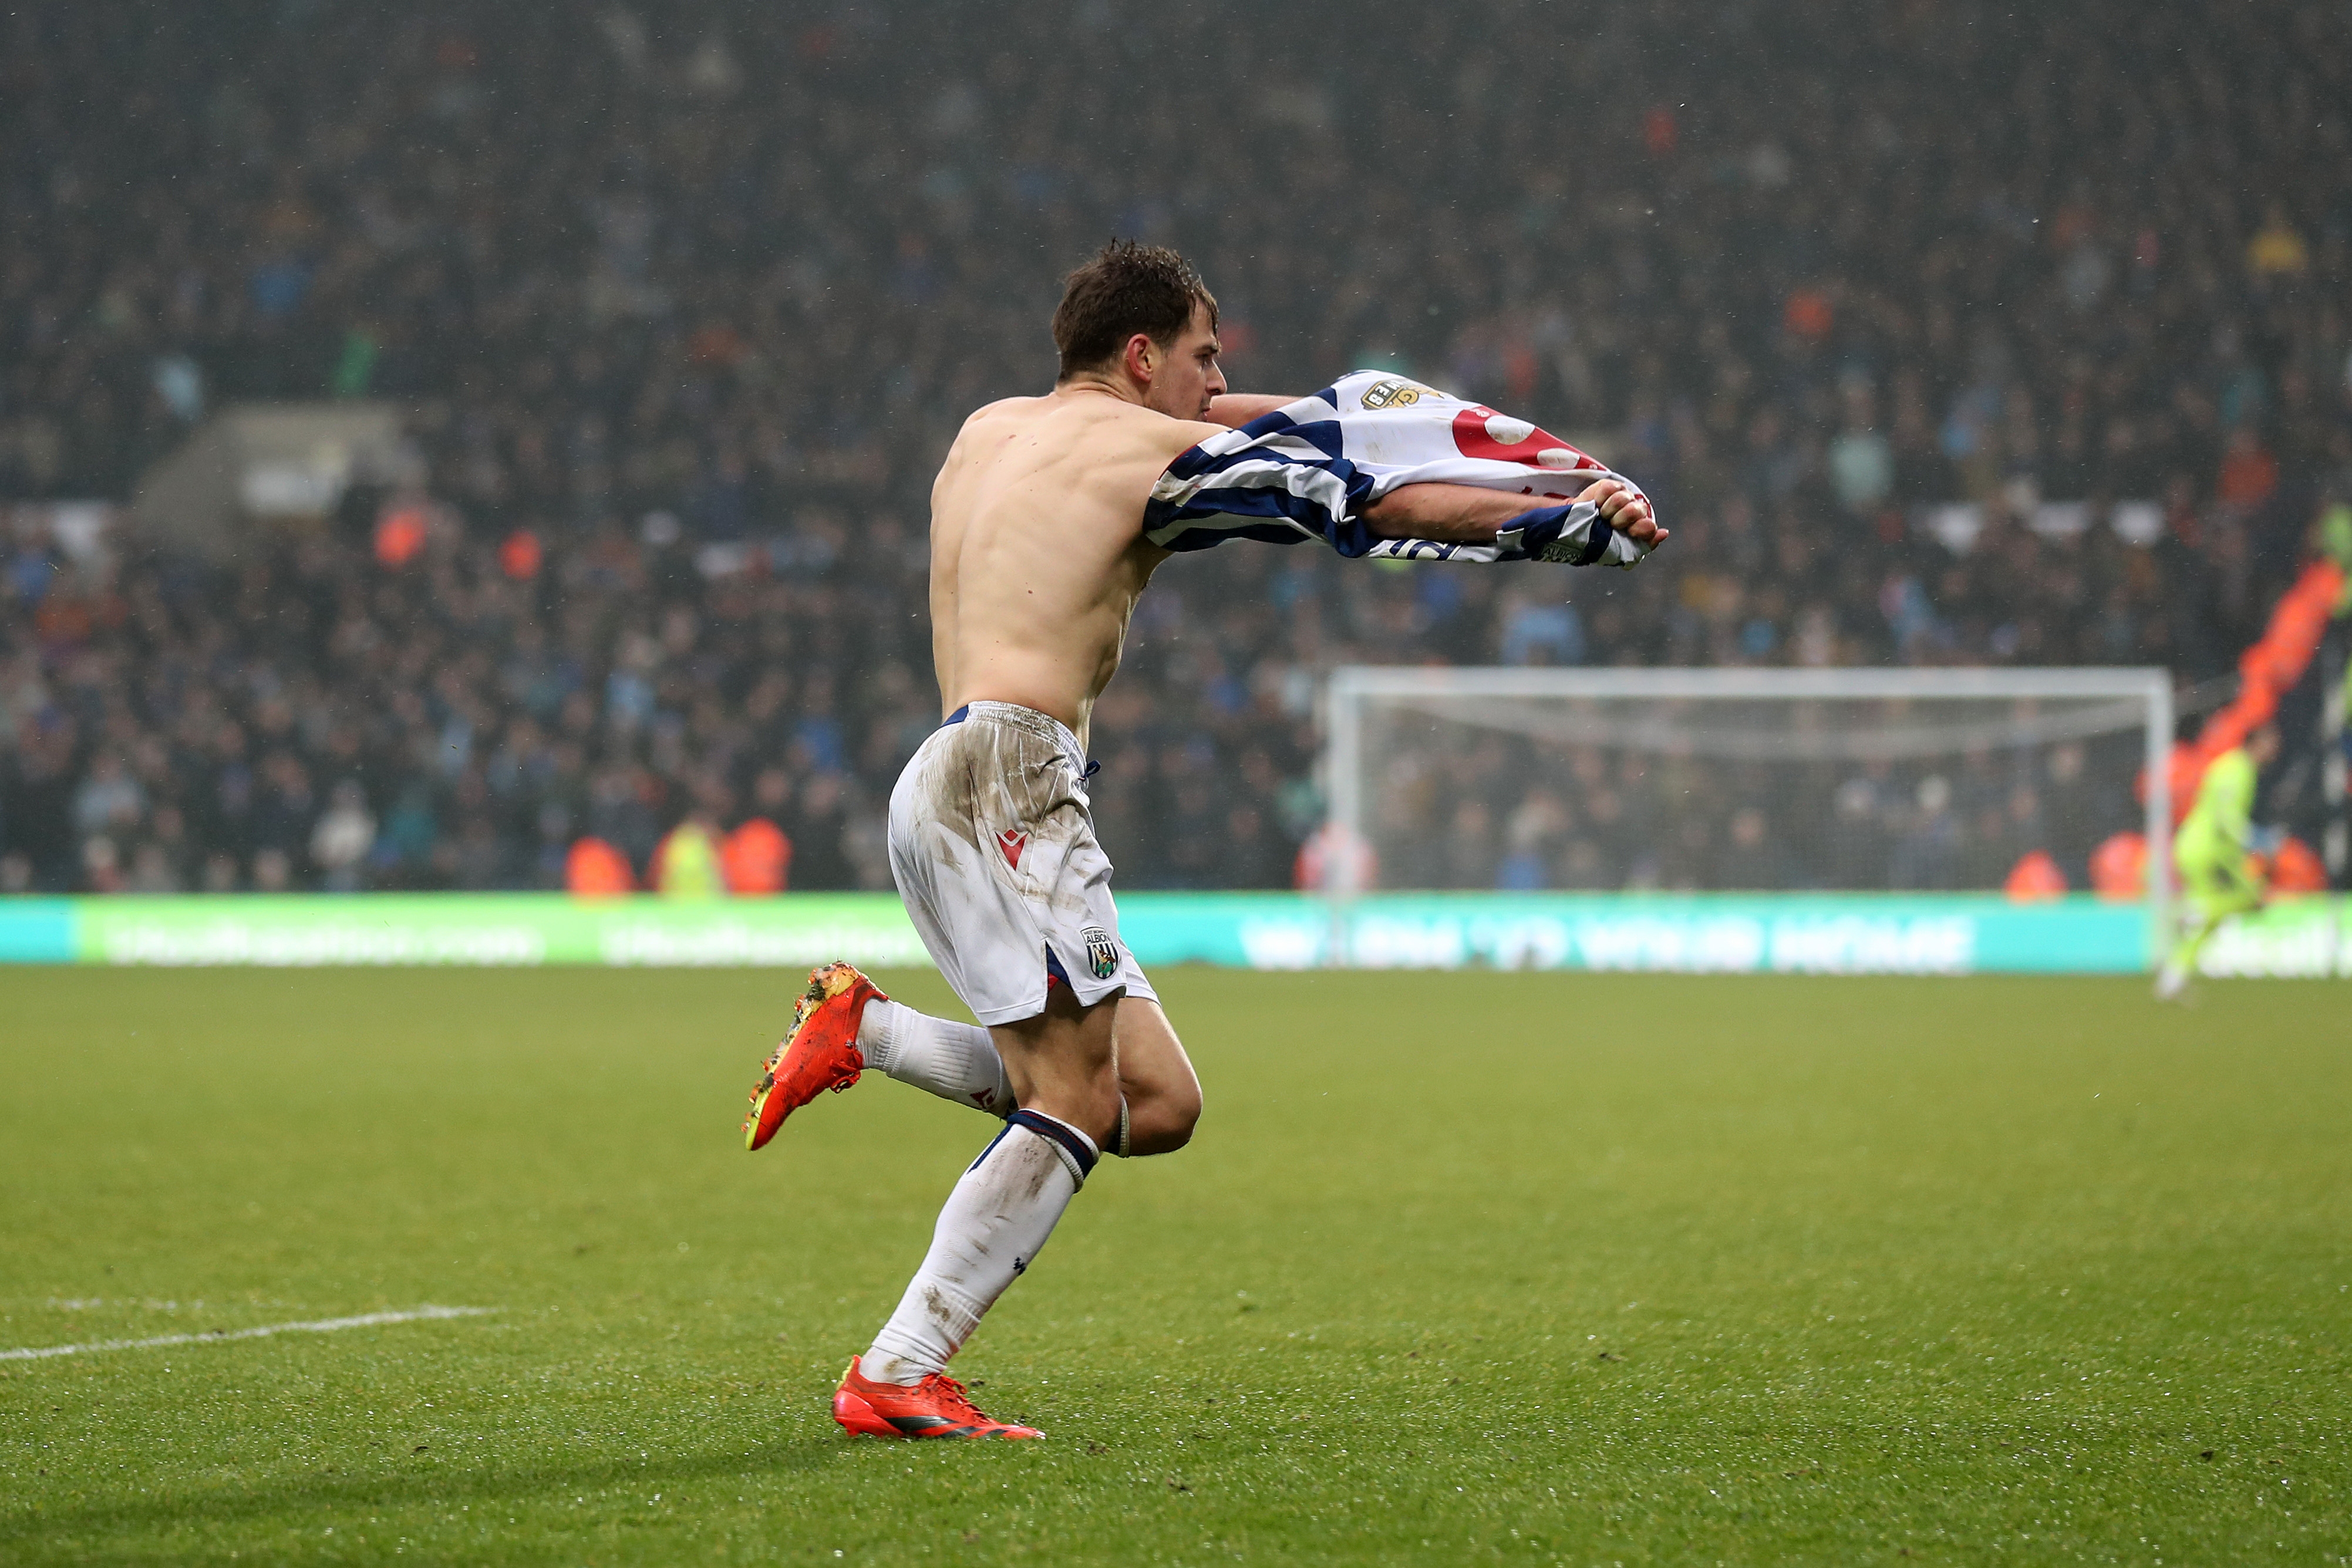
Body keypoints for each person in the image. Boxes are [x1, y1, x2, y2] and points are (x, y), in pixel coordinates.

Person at [740, 241, 1663, 1440]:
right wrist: (1554, 517)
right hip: (1016, 776)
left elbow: (1268, 419)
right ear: (1140, 355)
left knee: (1154, 1102)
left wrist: (1347, 412)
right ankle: (900, 1365)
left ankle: (864, 1029)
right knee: (1072, 1097)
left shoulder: (985, 431)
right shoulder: (1153, 448)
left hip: (939, 777)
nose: (1219, 381)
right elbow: (1366, 504)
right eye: (1202, 355)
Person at [2155, 722, 2281, 1001]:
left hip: (2202, 847)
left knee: (2226, 912)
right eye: (2271, 742)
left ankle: (2173, 978)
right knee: (2249, 897)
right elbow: (2228, 821)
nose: (2275, 749)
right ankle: (2191, 912)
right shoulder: (2238, 770)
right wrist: (2258, 841)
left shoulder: (2232, 766)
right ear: (2256, 742)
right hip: (2208, 851)